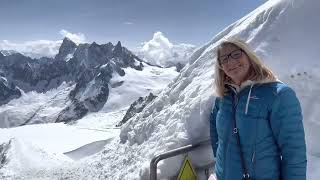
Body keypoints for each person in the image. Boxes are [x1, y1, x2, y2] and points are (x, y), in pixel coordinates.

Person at [210, 38, 307, 180]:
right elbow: (214, 128)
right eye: (224, 59)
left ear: (248, 55)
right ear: (220, 66)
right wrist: (221, 164)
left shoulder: (278, 94)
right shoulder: (223, 96)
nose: (230, 62)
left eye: (236, 54)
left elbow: (293, 152)